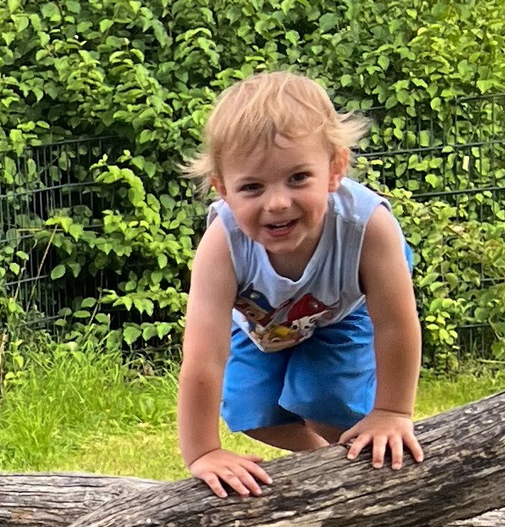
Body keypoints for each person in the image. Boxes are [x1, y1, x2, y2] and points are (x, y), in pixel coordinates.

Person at [176, 71, 425, 499]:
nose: (277, 202)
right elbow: (203, 359)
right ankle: (321, 472)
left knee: (324, 399)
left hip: (345, 306)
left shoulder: (368, 227)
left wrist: (391, 411)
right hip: (264, 320)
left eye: (298, 178)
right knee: (250, 410)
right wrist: (203, 452)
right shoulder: (222, 246)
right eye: (251, 187)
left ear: (334, 169)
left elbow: (396, 326)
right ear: (222, 190)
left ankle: (367, 475)